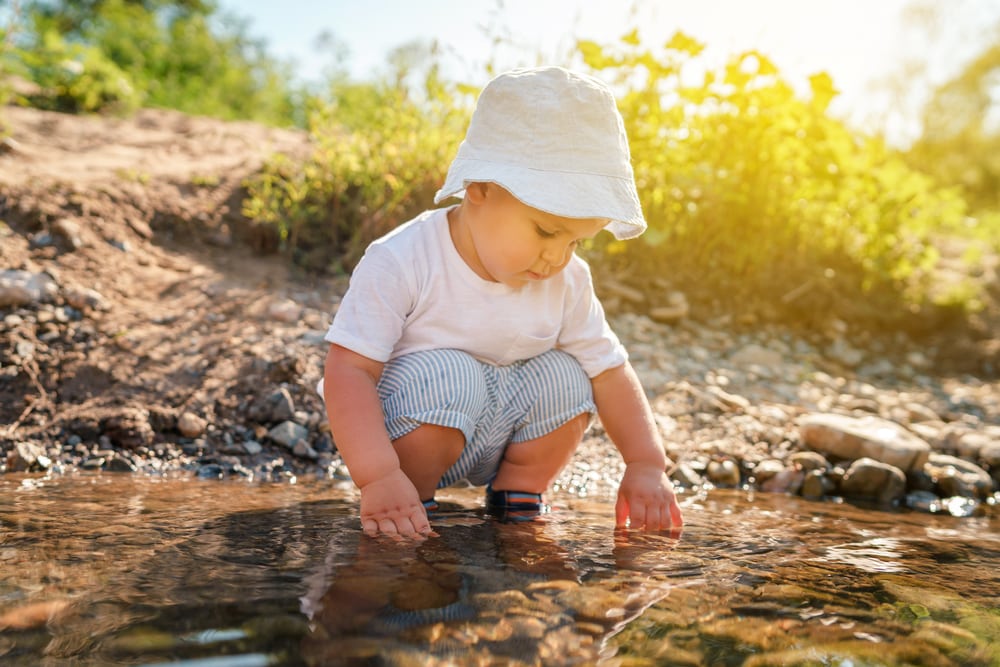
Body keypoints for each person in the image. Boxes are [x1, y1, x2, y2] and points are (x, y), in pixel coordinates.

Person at [320, 65, 683, 539]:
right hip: (404, 433)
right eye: (547, 231)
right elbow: (348, 371)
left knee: (571, 376)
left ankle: (518, 499)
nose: (558, 255)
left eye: (576, 241)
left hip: (498, 429)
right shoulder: (403, 258)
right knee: (453, 375)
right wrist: (377, 476)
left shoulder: (567, 279)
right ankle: (410, 498)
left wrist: (646, 462)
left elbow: (610, 371)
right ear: (480, 190)